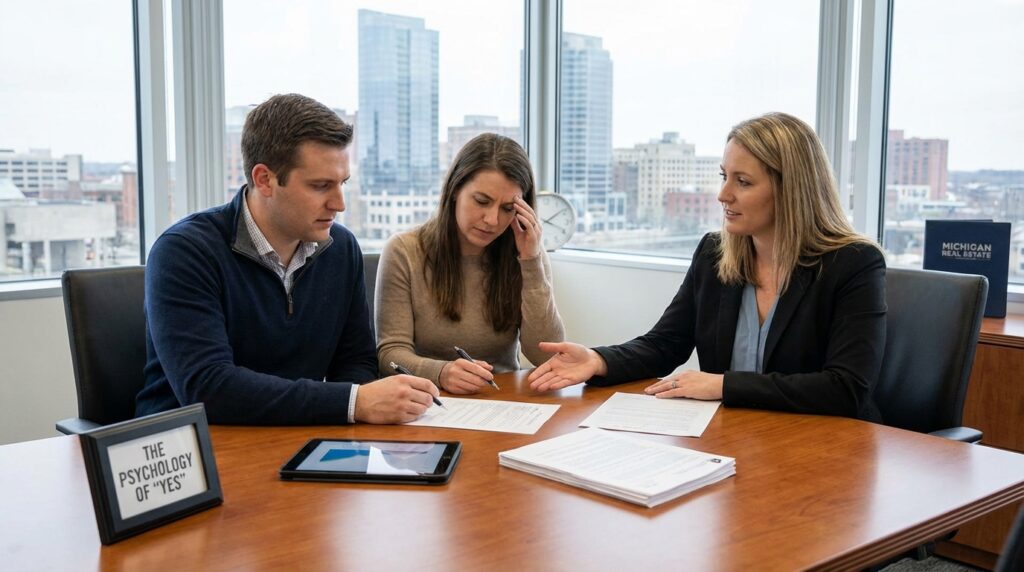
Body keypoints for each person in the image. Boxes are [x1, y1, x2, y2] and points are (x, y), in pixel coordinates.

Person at [528, 112, 886, 421]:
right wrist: (597, 360)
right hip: (733, 440)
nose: (723, 194)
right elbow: (665, 344)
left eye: (742, 181)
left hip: (824, 450)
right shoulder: (714, 253)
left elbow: (846, 388)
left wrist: (723, 385)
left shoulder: (853, 264)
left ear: (791, 190)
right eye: (723, 176)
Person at [136, 93, 440, 425]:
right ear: (264, 179)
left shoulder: (340, 248)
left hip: (293, 437)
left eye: (343, 184)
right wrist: (353, 403)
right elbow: (209, 388)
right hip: (192, 453)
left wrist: (354, 414)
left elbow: (355, 362)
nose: (339, 204)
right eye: (321, 186)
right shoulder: (184, 251)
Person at [375, 133, 565, 394]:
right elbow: (390, 354)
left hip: (503, 400)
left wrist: (531, 262)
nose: (492, 220)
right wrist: (440, 373)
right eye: (481, 201)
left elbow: (546, 356)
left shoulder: (527, 254)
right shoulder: (404, 251)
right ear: (455, 190)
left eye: (508, 208)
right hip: (429, 401)